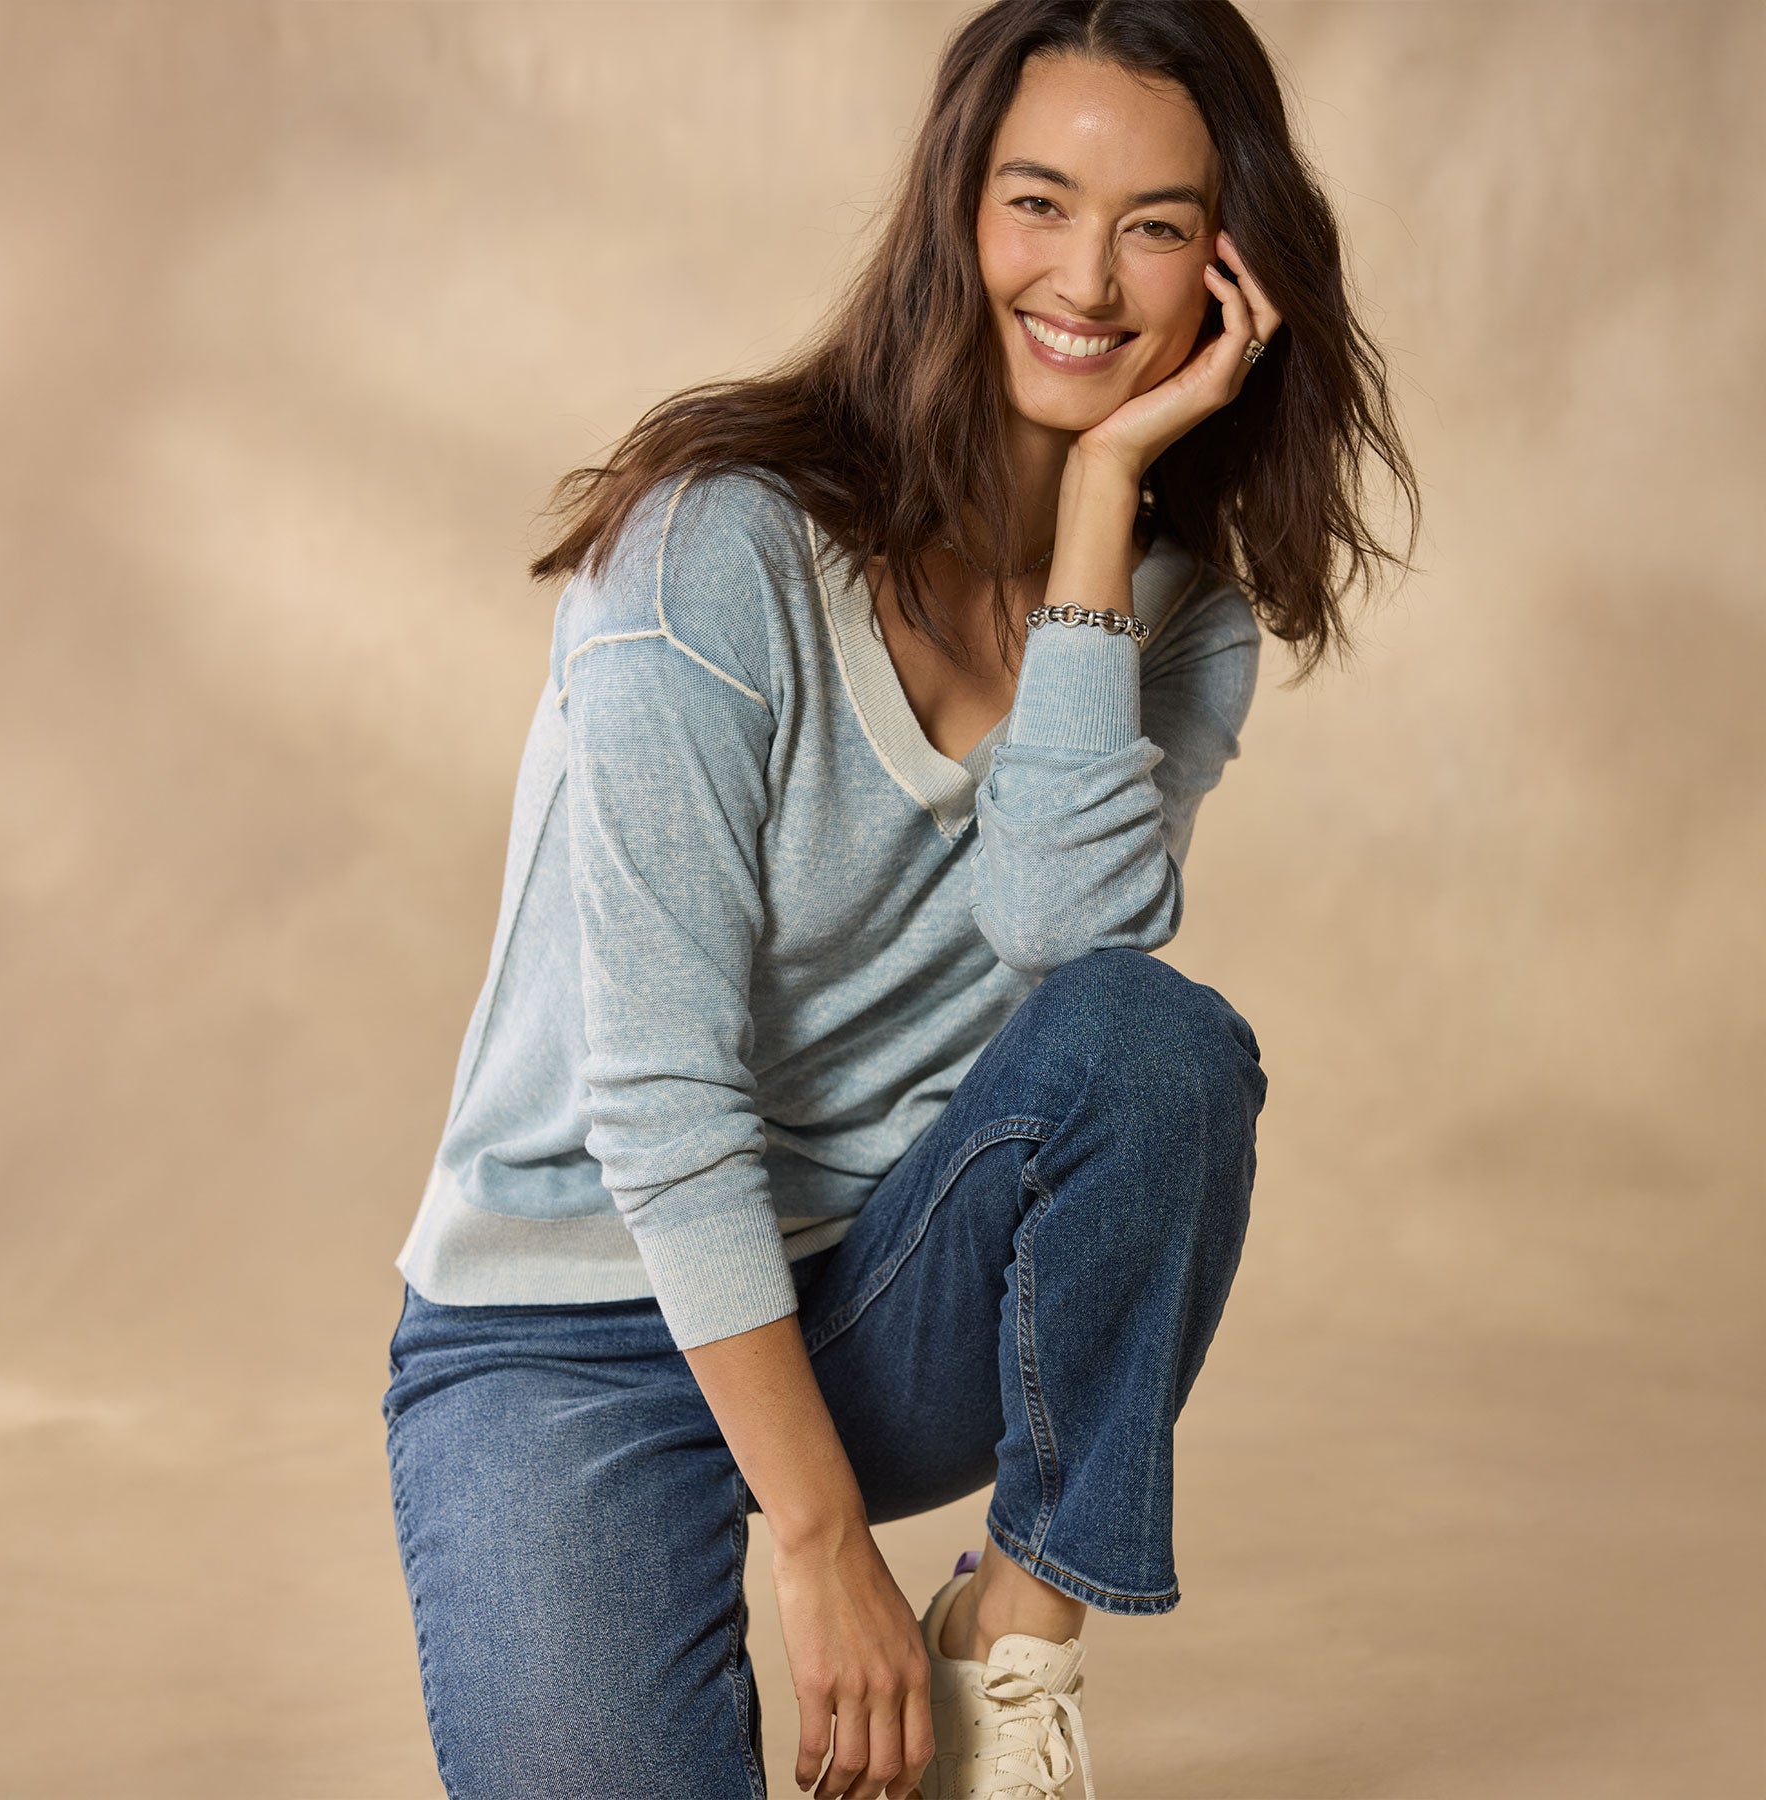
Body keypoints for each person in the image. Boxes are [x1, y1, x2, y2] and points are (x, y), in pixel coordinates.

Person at [379, 2, 1419, 1796]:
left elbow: (1063, 943)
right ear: (955, 212)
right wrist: (817, 1539)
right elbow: (658, 1091)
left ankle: (1011, 1640)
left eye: (1157, 226)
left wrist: (1099, 501)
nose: (1087, 279)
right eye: (1039, 203)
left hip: (871, 1294)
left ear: (1227, 271)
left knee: (1152, 1046)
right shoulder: (714, 548)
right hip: (568, 1327)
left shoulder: (1181, 622)